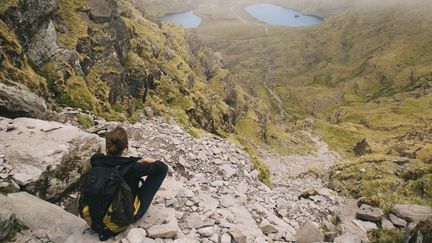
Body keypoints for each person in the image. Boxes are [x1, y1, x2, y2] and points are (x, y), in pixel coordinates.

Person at [87, 126, 168, 235]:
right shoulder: (132, 167)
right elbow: (163, 167)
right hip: (122, 218)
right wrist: (147, 160)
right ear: (126, 146)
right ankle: (133, 209)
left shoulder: (96, 160)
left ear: (107, 145)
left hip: (94, 216)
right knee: (160, 173)